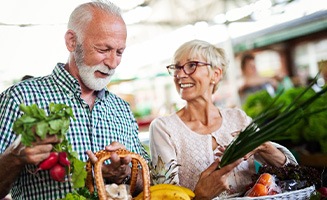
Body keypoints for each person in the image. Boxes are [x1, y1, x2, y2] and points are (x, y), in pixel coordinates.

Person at [0, 1, 149, 199]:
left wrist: (127, 173)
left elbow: (148, 185)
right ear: (72, 41)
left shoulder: (121, 109)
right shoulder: (20, 98)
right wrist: (14, 157)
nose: (112, 63)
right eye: (103, 49)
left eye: (119, 52)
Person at [149, 40, 297, 199]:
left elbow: (294, 174)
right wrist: (200, 196)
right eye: (177, 67)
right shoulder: (164, 129)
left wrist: (264, 147)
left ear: (216, 74)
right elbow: (166, 195)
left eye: (192, 65)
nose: (180, 74)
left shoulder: (239, 119)